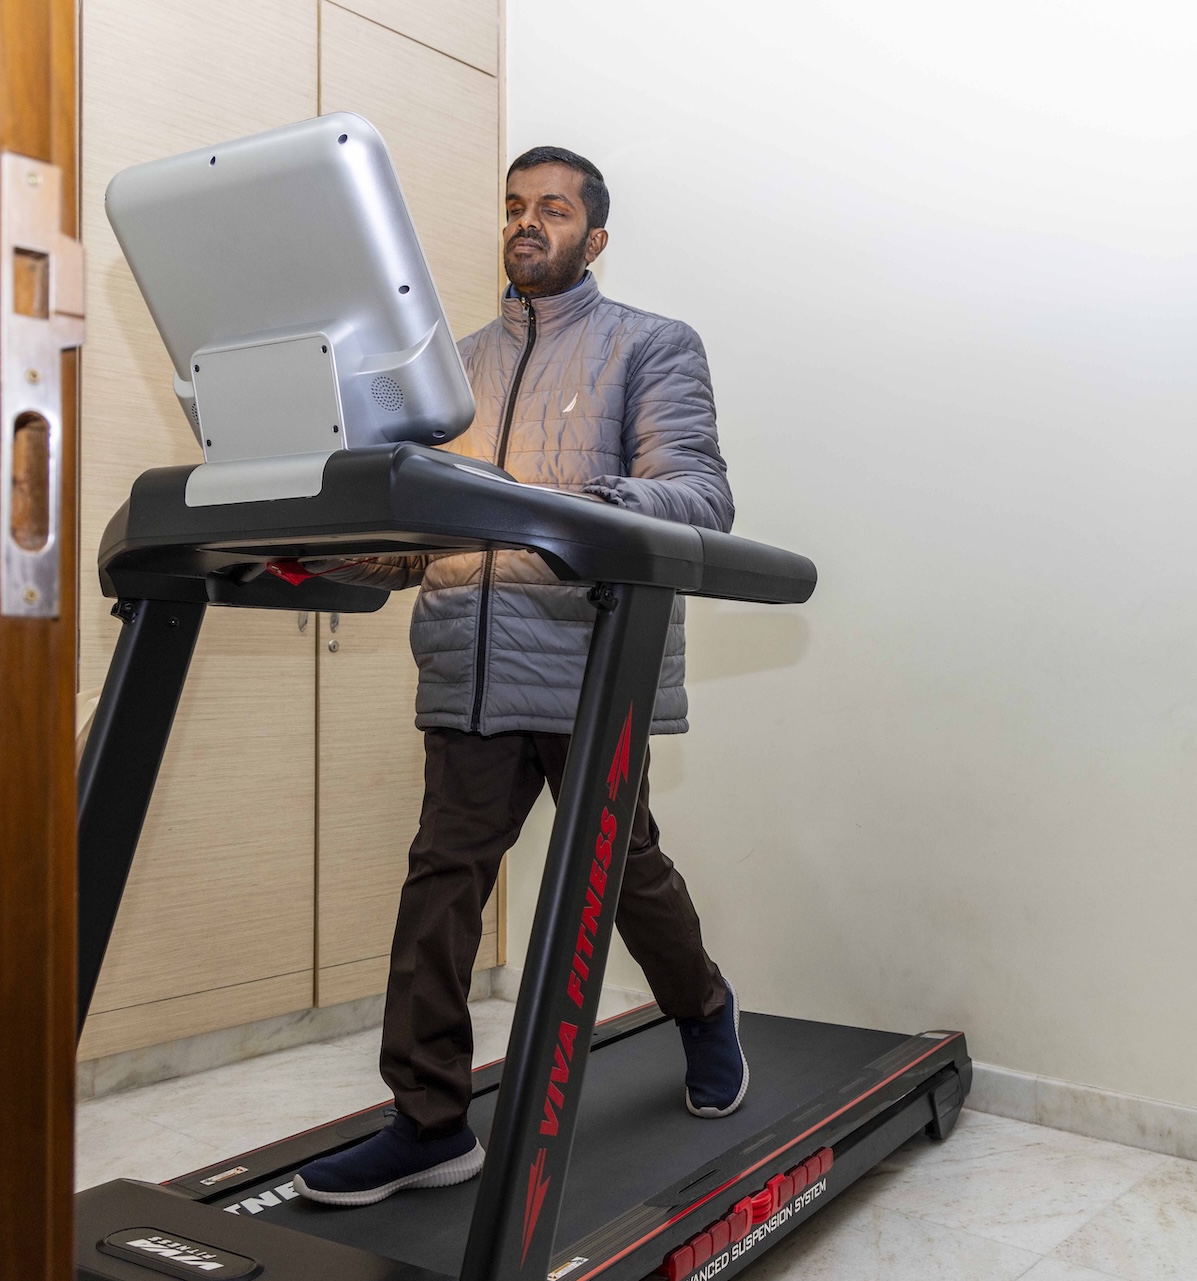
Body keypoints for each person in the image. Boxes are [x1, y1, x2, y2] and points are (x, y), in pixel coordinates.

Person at [292, 147, 747, 1207]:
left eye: (551, 209)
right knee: (440, 882)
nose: (526, 223)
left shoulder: (652, 346)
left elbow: (699, 494)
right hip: (469, 664)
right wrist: (316, 544)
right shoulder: (451, 371)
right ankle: (428, 1121)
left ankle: (704, 1009)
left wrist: (563, 508)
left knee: (625, 874)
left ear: (594, 236)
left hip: (589, 662)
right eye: (512, 207)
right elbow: (415, 544)